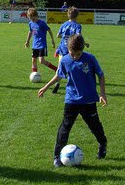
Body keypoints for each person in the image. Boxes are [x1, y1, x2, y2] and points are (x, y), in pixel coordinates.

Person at [38, 34, 108, 168]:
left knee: (94, 126)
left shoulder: (90, 59)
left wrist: (102, 93)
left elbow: (101, 75)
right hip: (71, 100)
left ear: (82, 50)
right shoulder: (65, 60)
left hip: (88, 100)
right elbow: (59, 75)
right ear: (68, 49)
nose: (75, 56)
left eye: (78, 54)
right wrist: (45, 87)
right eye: (72, 53)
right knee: (65, 127)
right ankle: (57, 157)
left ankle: (102, 143)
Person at [52, 7, 89, 93]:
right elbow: (78, 36)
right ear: (77, 16)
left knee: (60, 67)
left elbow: (58, 35)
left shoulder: (64, 24)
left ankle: (57, 83)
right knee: (74, 66)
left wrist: (65, 37)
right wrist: (84, 43)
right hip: (72, 49)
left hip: (62, 48)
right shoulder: (77, 25)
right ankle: (76, 83)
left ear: (68, 15)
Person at [24, 7, 57, 75]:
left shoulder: (42, 23)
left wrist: (52, 40)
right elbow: (30, 32)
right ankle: (34, 74)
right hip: (35, 44)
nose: (32, 20)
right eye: (30, 19)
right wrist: (27, 41)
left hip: (42, 44)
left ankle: (56, 69)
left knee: (41, 61)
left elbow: (49, 30)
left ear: (36, 16)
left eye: (33, 18)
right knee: (33, 60)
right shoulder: (30, 23)